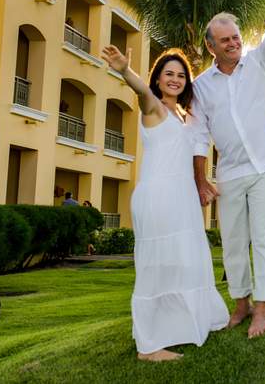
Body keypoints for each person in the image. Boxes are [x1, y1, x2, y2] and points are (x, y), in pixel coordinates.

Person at [188, 0, 265, 338]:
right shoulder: (201, 86)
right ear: (211, 46)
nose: (234, 43)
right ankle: (240, 304)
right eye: (225, 40)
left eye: (236, 37)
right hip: (229, 171)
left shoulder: (259, 62)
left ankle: (263, 309)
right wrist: (200, 179)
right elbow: (198, 135)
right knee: (235, 241)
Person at [97, 45, 228, 362]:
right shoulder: (153, 107)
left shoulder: (184, 116)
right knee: (156, 268)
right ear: (157, 79)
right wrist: (126, 71)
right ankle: (149, 346)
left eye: (181, 75)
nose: (175, 79)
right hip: (158, 196)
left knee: (184, 262)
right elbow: (140, 92)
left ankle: (188, 323)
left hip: (181, 199)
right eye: (168, 73)